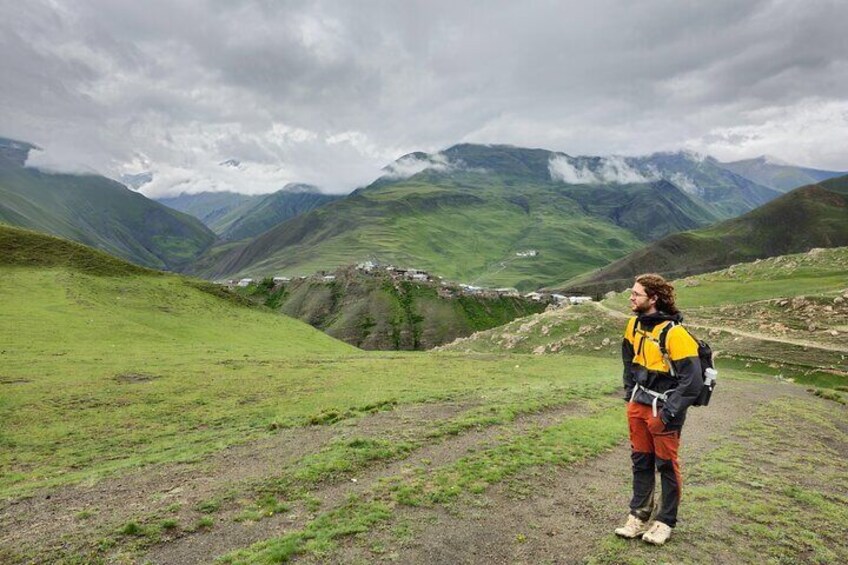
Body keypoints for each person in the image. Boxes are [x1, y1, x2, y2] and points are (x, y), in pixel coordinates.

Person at [614, 273, 703, 545]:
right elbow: (628, 360)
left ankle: (665, 522)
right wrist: (630, 392)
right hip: (638, 406)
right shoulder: (633, 325)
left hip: (664, 411)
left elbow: (693, 381)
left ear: (653, 299)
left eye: (636, 294)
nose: (631, 297)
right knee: (641, 462)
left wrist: (667, 414)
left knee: (666, 465)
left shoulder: (676, 334)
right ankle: (639, 515)